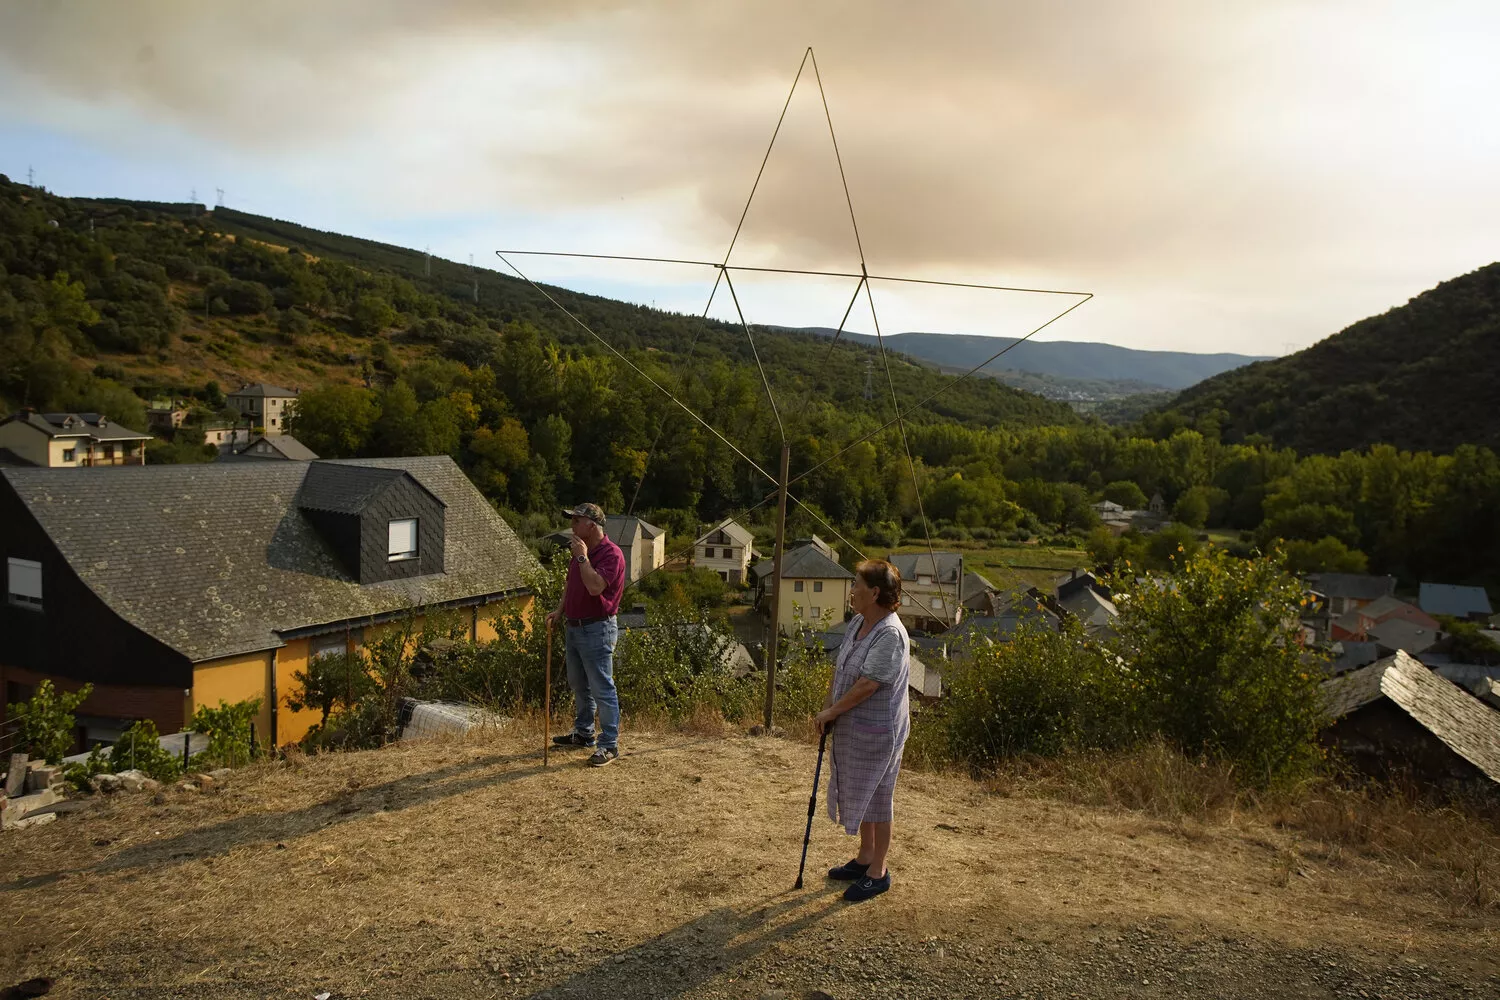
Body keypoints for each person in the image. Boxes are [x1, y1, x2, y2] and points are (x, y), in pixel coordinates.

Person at [814, 559, 911, 902]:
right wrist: (827, 711)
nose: (851, 590)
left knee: (879, 796)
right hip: (855, 727)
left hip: (879, 732)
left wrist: (833, 710)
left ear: (874, 592)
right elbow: (841, 672)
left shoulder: (890, 634)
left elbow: (868, 683)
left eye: (856, 584)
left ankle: (878, 871)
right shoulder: (859, 622)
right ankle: (865, 856)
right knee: (865, 793)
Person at [546, 502, 626, 767]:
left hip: (597, 628)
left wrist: (582, 558)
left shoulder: (610, 554)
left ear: (592, 525)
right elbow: (572, 584)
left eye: (577, 520)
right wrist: (559, 611)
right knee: (578, 684)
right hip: (574, 626)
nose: (572, 525)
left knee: (602, 687)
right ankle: (584, 734)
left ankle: (609, 744)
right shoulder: (583, 551)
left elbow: (594, 587)